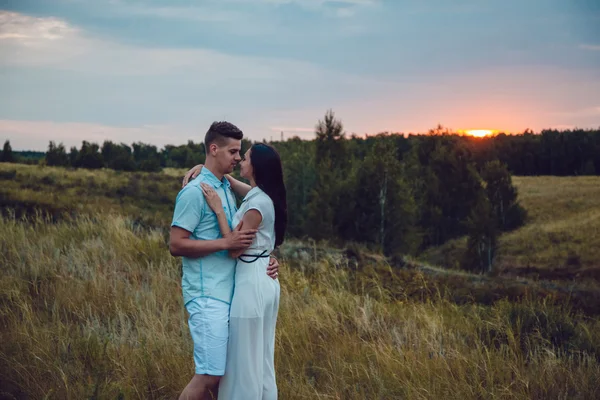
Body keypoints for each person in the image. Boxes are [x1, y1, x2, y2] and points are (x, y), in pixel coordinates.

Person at [169, 121, 279, 400]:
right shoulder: (195, 192)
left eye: (241, 153)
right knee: (209, 375)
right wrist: (225, 243)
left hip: (233, 294)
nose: (238, 158)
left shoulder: (225, 190)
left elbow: (248, 238)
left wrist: (265, 258)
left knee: (224, 379)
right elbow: (176, 244)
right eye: (233, 152)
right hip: (208, 295)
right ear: (214, 149)